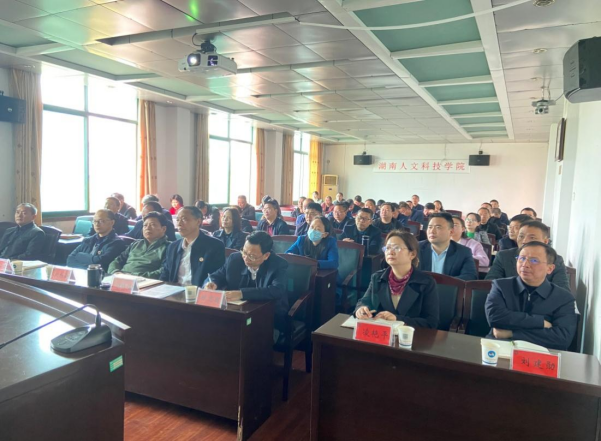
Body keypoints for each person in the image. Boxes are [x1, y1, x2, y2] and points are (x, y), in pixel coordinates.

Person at [485, 242, 577, 350]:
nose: (525, 264)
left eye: (534, 260)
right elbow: (494, 317)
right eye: (521, 258)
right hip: (498, 348)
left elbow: (561, 338)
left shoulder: (564, 298)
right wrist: (540, 322)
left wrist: (511, 333)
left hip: (542, 353)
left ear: (550, 269)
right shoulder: (501, 286)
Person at [205, 231, 288, 332]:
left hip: (268, 318)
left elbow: (277, 290)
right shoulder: (234, 259)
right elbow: (216, 276)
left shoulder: (278, 264)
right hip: (236, 315)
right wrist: (212, 283)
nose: (245, 258)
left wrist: (242, 294)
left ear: (266, 255)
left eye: (252, 256)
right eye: (244, 252)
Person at [355, 231, 439, 329]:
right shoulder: (377, 278)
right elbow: (364, 301)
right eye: (387, 248)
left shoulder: (426, 282)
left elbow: (431, 322)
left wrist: (398, 319)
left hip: (411, 336)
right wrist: (361, 309)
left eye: (396, 248)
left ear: (412, 254)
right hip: (381, 334)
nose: (390, 252)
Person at [485, 220, 570, 291]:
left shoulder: (555, 260)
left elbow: (562, 290)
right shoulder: (504, 256)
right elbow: (489, 284)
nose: (524, 241)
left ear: (545, 242)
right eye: (521, 236)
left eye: (532, 238)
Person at [160, 206, 225, 286]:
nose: (179, 224)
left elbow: (216, 277)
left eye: (184, 219)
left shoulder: (214, 246)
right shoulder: (172, 247)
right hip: (174, 290)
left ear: (198, 222)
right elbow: (165, 274)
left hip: (199, 291)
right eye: (178, 220)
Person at [107, 211, 170, 279]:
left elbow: (162, 272)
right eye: (145, 225)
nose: (148, 228)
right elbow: (117, 261)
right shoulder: (136, 244)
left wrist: (133, 277)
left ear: (163, 229)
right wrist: (115, 272)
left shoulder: (169, 247)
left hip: (146, 282)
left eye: (153, 225)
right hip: (122, 279)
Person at [417, 213, 478, 280]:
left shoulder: (463, 252)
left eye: (438, 227)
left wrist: (443, 283)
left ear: (451, 231)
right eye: (430, 227)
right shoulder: (415, 248)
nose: (432, 231)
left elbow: (470, 276)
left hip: (450, 287)